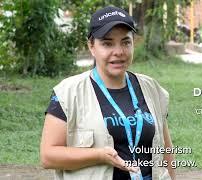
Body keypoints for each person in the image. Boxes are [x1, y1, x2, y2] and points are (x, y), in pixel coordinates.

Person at [40, 6, 175, 180]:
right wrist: (99, 155)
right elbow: (48, 156)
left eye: (125, 42)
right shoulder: (68, 93)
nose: (118, 52)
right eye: (107, 43)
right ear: (91, 46)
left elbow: (166, 152)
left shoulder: (151, 88)